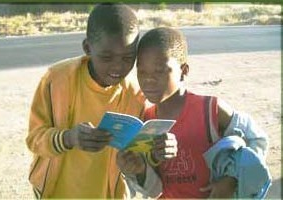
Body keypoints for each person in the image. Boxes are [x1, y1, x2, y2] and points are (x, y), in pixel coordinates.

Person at [117, 27, 270, 198]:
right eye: (142, 72)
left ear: (183, 71)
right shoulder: (146, 121)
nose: (148, 80)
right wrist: (139, 170)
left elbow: (257, 140)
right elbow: (154, 190)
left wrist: (232, 179)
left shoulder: (211, 110)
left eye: (159, 70)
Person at [26, 3, 146, 198]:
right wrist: (69, 138)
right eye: (107, 57)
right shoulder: (56, 80)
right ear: (87, 48)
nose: (118, 66)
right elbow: (34, 139)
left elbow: (137, 156)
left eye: (128, 58)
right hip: (56, 192)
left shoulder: (136, 97)